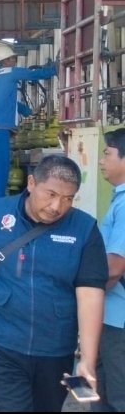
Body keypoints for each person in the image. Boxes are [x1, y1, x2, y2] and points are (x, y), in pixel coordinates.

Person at [0, 154, 107, 412]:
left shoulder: (84, 229)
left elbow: (90, 294)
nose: (57, 206)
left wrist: (88, 360)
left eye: (68, 198)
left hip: (55, 347)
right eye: (51, 194)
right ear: (31, 182)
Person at [0, 44, 57, 206]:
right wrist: (55, 68)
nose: (14, 61)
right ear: (4, 61)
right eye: (12, 58)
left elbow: (5, 100)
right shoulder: (11, 72)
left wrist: (27, 111)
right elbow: (35, 75)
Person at [97, 128, 125, 411]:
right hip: (112, 316)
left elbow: (115, 268)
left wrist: (85, 301)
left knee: (118, 396)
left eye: (107, 154)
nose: (102, 161)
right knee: (102, 392)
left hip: (120, 320)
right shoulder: (119, 198)